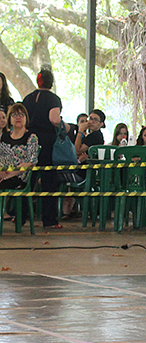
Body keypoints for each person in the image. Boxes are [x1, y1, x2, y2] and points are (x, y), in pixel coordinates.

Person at [22, 67, 67, 229]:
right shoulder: (53, 99)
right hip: (47, 141)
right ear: (51, 82)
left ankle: (20, 216)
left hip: (29, 140)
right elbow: (54, 119)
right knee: (48, 179)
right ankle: (49, 220)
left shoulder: (28, 98)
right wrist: (66, 126)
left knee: (28, 178)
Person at [0, 103, 39, 221]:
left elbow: (31, 162)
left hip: (19, 177)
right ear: (9, 119)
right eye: (14, 115)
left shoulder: (31, 137)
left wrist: (9, 174)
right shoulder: (3, 136)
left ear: (26, 119)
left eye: (21, 115)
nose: (18, 117)